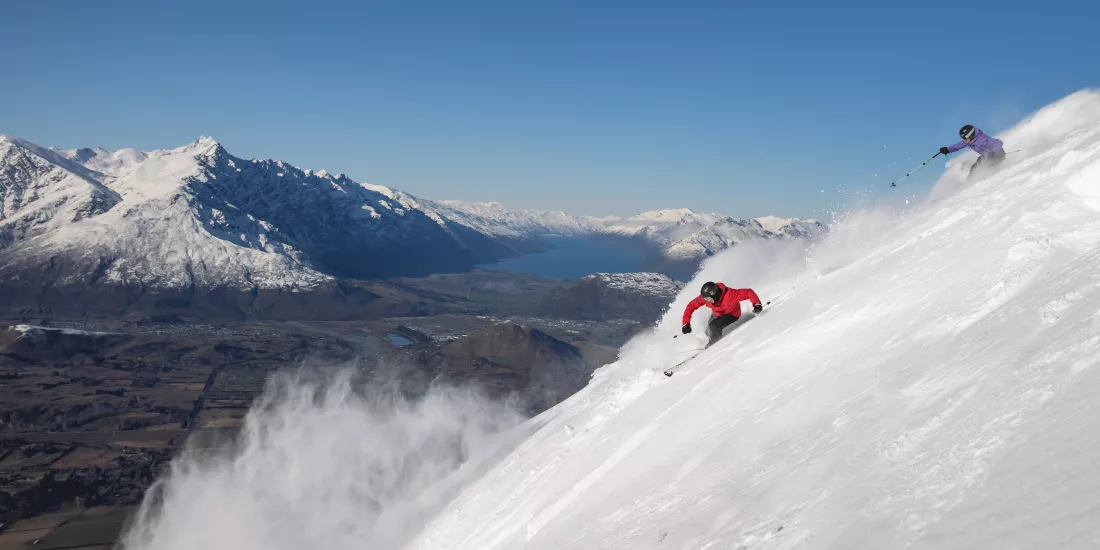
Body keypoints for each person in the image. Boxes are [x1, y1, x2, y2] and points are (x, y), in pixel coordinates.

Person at [681, 281, 762, 346]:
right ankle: (710, 337)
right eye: (705, 298)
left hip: (732, 314)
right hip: (717, 313)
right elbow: (691, 306)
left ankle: (714, 344)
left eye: (708, 299)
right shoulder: (706, 297)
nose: (706, 300)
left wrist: (757, 304)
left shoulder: (731, 295)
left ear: (715, 295)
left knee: (714, 326)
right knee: (708, 331)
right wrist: (686, 324)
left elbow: (748, 292)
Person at [939, 125, 1006, 177]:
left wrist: (994, 152)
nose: (964, 140)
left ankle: (990, 177)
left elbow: (998, 142)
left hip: (997, 156)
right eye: (963, 138)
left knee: (984, 168)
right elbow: (957, 146)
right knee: (974, 169)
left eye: (965, 138)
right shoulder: (969, 141)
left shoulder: (982, 139)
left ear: (970, 135)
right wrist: (947, 150)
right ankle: (970, 181)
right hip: (986, 156)